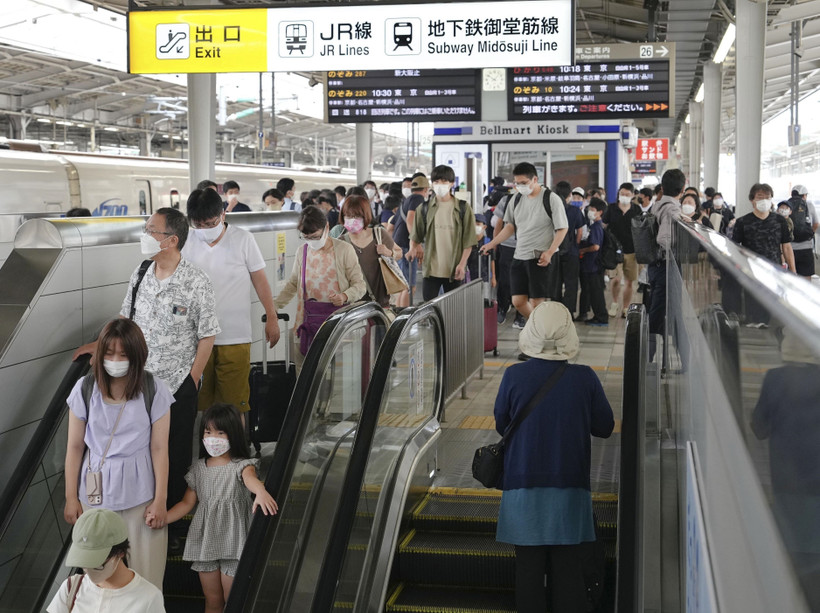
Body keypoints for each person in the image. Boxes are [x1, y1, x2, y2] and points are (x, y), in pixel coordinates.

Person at [73, 207, 220, 554]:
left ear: (171, 239)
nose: (144, 233)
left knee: (173, 450)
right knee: (143, 449)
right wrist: (99, 346)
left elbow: (208, 334)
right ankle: (138, 517)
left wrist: (193, 378)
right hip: (139, 384)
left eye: (150, 230)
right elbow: (126, 317)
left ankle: (168, 520)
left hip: (176, 385)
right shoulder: (141, 273)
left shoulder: (197, 281)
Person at [494, 302, 614, 613]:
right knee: (568, 570)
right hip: (569, 487)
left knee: (528, 572)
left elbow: (500, 423)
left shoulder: (513, 376)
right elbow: (605, 426)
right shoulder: (585, 378)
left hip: (522, 486)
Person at [64, 319, 173, 589]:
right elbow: (75, 447)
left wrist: (160, 499)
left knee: (147, 576)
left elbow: (159, 448)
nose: (115, 360)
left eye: (123, 354)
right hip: (95, 496)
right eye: (110, 353)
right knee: (99, 576)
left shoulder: (154, 389)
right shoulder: (85, 389)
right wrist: (69, 497)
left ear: (137, 356)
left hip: (141, 498)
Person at [164, 404, 278, 613]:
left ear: (233, 434)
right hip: (205, 541)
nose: (212, 437)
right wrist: (164, 518)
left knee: (232, 599)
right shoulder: (199, 468)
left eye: (220, 432)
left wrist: (260, 491)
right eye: (208, 432)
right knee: (213, 600)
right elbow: (187, 503)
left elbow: (250, 478)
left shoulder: (242, 464)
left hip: (235, 540)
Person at [183, 189, 280, 426]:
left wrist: (272, 316)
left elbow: (260, 280)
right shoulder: (186, 240)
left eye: (210, 223)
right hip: (196, 338)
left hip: (234, 336)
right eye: (199, 224)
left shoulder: (243, 239)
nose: (205, 229)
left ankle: (235, 456)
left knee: (234, 405)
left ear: (223, 214)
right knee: (201, 404)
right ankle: (208, 457)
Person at [480, 162, 569, 338]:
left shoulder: (551, 198)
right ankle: (539, 330)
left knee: (537, 301)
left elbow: (562, 228)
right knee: (518, 301)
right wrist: (492, 243)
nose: (519, 186)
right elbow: (509, 227)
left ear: (535, 179)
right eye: (516, 183)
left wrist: (550, 252)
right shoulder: (516, 199)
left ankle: (537, 339)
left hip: (540, 256)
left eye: (523, 182)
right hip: (519, 255)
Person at [274, 206, 366, 359]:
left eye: (315, 237)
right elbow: (293, 283)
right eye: (306, 237)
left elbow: (359, 285)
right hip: (306, 322)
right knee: (303, 370)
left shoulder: (344, 250)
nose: (312, 241)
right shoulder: (302, 251)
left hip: (337, 322)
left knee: (332, 372)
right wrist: (276, 305)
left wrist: (344, 296)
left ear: (327, 228)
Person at [47, 509, 164, 613]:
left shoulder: (149, 597)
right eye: (84, 563)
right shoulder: (71, 587)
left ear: (120, 553)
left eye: (97, 564)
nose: (88, 570)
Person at [409, 165, 477, 300]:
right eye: (436, 182)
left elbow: (469, 240)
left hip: (454, 269)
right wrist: (412, 248)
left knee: (454, 312)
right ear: (432, 185)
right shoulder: (424, 208)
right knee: (430, 311)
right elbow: (416, 235)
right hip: (431, 270)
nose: (440, 185)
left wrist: (462, 264)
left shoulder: (463, 208)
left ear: (452, 183)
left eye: (444, 182)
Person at [338, 195, 402, 309]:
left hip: (382, 303)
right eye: (348, 216)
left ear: (365, 216)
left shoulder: (379, 234)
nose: (352, 220)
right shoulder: (341, 242)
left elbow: (399, 253)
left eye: (356, 216)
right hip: (354, 305)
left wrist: (390, 253)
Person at [648, 169, 686, 343]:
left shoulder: (658, 205)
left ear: (662, 187)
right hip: (666, 267)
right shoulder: (672, 209)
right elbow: (664, 238)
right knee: (661, 314)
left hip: (656, 266)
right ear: (683, 189)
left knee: (662, 312)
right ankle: (648, 357)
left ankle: (681, 358)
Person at [602, 182, 642, 319]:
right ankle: (614, 302)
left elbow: (641, 229)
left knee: (630, 281)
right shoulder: (611, 208)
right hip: (614, 252)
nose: (624, 196)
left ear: (632, 195)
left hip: (631, 251)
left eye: (627, 194)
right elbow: (604, 226)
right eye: (622, 194)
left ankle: (626, 307)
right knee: (616, 279)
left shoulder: (636, 210)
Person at [392, 175, 428, 306]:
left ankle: (398, 315)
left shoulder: (406, 200)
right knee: (409, 287)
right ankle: (404, 319)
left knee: (404, 286)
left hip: (399, 244)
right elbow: (410, 219)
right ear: (426, 189)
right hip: (406, 246)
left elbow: (391, 226)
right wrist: (416, 243)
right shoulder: (418, 198)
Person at [491, 193, 525, 329]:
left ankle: (520, 315)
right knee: (505, 280)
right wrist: (494, 244)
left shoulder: (537, 200)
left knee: (523, 281)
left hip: (527, 247)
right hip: (507, 246)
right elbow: (499, 224)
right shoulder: (506, 200)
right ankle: (502, 308)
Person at [554, 181, 585, 318]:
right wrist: (576, 245)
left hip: (554, 251)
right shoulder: (574, 211)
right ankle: (568, 312)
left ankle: (556, 310)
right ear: (569, 195)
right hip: (571, 252)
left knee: (555, 282)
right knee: (571, 283)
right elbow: (580, 231)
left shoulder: (552, 209)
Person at [577, 198, 608, 326]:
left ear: (600, 212)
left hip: (593, 266)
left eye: (592, 210)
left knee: (596, 293)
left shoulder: (596, 227)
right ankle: (598, 316)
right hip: (593, 265)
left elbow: (595, 247)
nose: (589, 211)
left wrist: (582, 250)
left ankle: (601, 317)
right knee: (594, 292)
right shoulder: (594, 226)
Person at [786, 184, 817, 279]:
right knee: (806, 279)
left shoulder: (785, 205)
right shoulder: (809, 205)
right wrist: (809, 234)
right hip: (806, 248)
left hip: (789, 248)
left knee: (790, 278)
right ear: (804, 195)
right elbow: (816, 224)